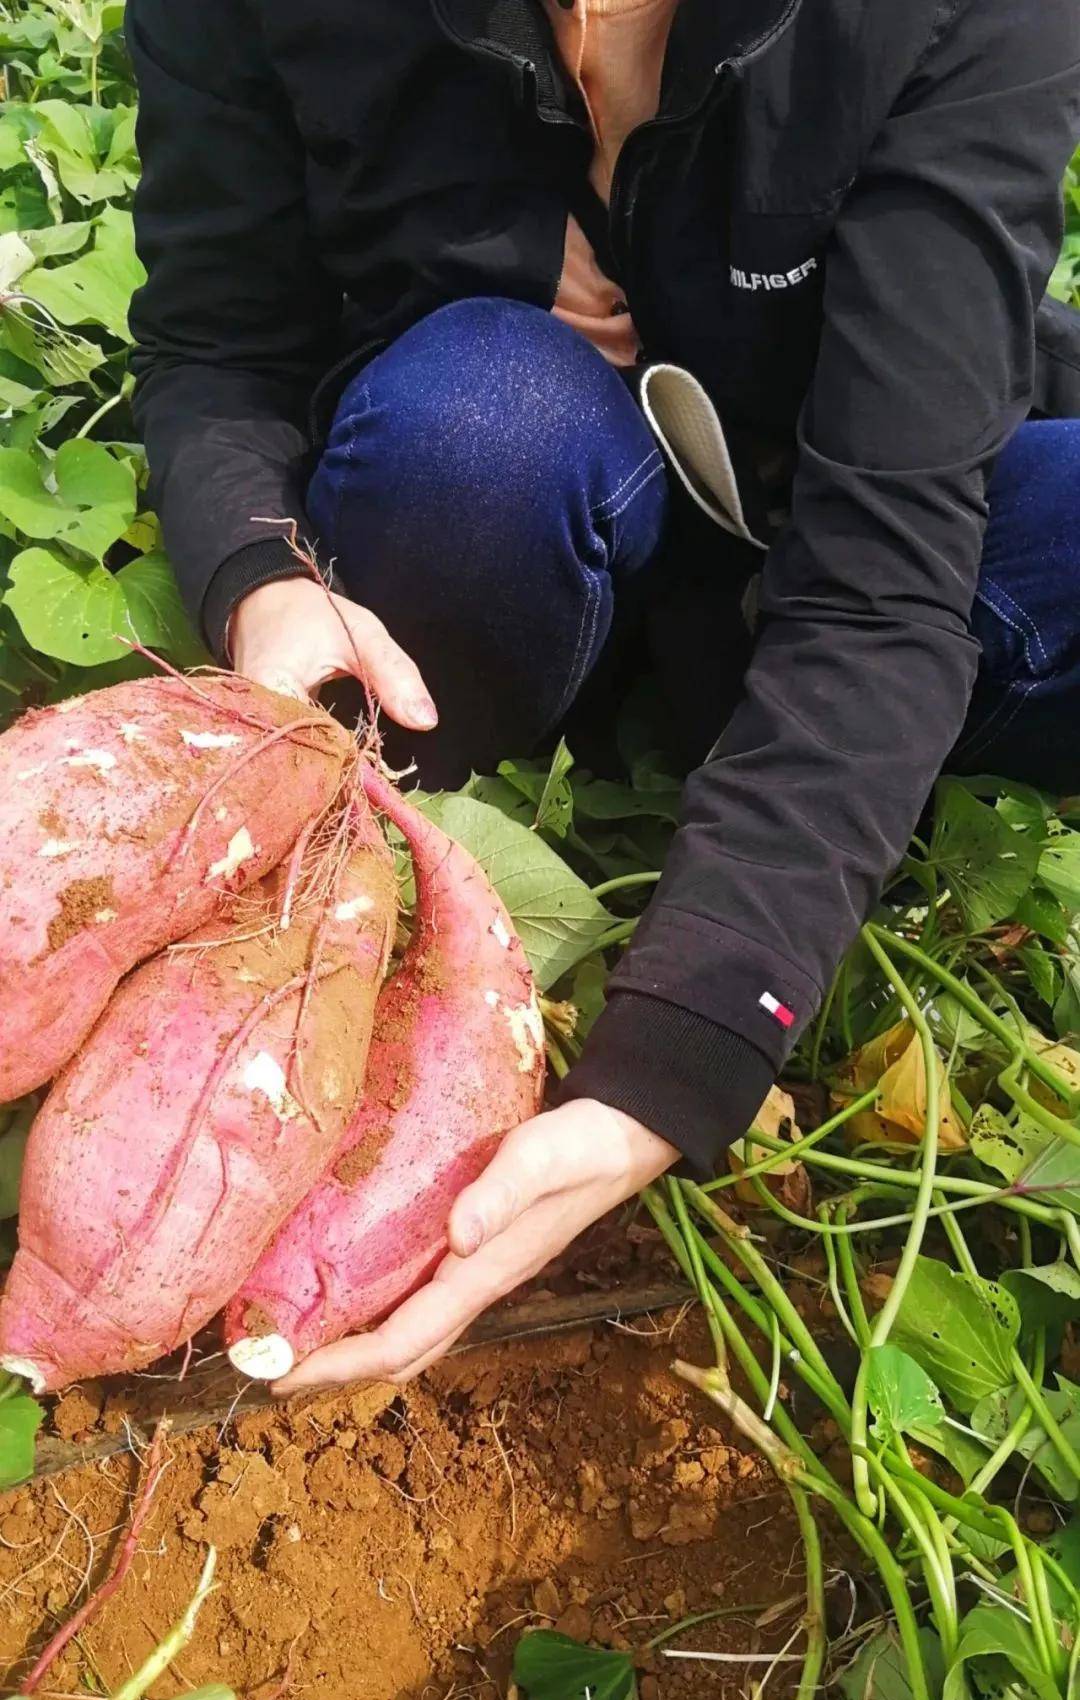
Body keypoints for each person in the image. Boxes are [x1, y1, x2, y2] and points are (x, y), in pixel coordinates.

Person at [128, 0, 1080, 1393]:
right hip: (519, 498)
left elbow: (884, 585)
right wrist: (259, 576)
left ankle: (774, 754)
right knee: (475, 436)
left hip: (846, 505)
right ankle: (574, 698)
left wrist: (678, 1055)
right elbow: (219, 338)